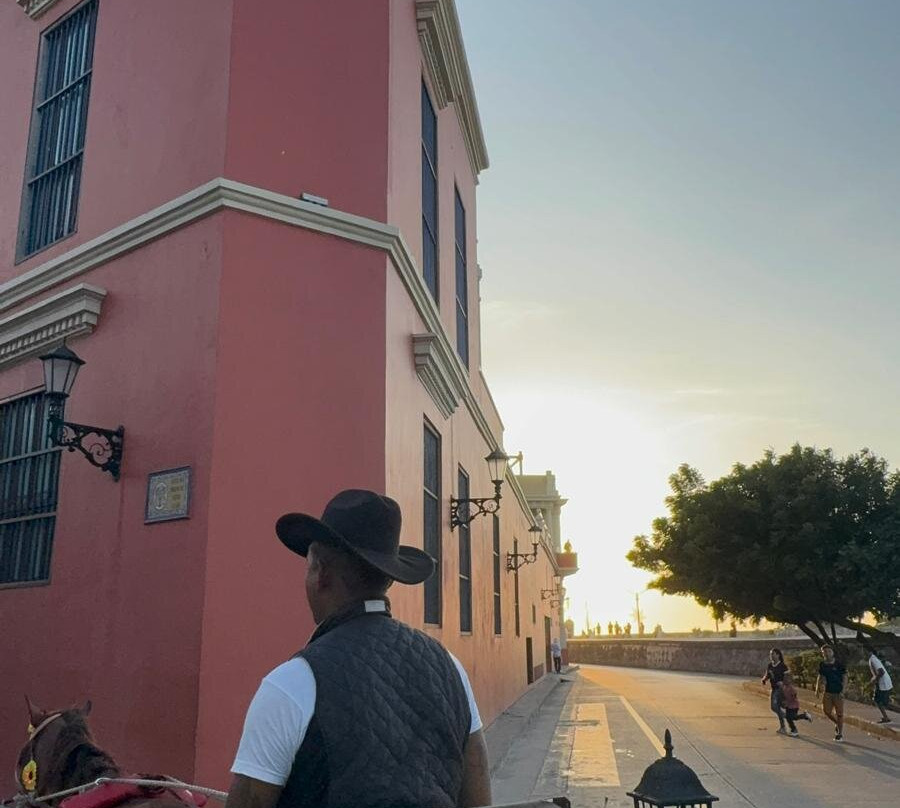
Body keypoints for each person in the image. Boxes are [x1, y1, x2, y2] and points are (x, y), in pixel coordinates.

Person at [225, 489, 492, 808]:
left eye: (308, 566)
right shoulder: (450, 666)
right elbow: (479, 797)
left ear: (320, 572)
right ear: (388, 580)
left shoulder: (292, 683)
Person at [815, 645, 847, 742]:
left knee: (839, 713)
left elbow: (845, 677)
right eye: (824, 652)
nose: (826, 653)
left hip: (838, 692)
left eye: (829, 651)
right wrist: (817, 688)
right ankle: (837, 723)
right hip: (828, 691)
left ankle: (839, 734)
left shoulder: (839, 664)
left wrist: (843, 691)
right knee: (826, 711)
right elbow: (820, 676)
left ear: (832, 652)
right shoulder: (822, 664)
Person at [761, 647, 788, 733]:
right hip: (774, 688)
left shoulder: (783, 666)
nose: (771, 656)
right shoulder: (770, 665)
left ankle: (786, 721)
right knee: (774, 708)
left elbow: (788, 678)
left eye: (773, 654)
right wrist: (764, 679)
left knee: (776, 706)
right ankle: (785, 723)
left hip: (780, 689)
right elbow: (767, 674)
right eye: (770, 654)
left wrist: (783, 683)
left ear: (778, 655)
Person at [865, 646, 894, 723]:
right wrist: (873, 680)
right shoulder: (873, 659)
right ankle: (886, 716)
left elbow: (881, 672)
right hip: (885, 683)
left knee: (877, 701)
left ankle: (886, 718)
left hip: (883, 684)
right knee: (882, 701)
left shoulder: (873, 660)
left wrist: (873, 681)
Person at [780, 671, 813, 737]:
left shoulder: (791, 688)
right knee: (788, 717)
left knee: (793, 717)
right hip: (788, 706)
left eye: (787, 679)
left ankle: (805, 716)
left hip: (794, 706)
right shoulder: (784, 687)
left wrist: (787, 702)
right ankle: (793, 730)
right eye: (784, 679)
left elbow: (794, 697)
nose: (785, 680)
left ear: (790, 680)